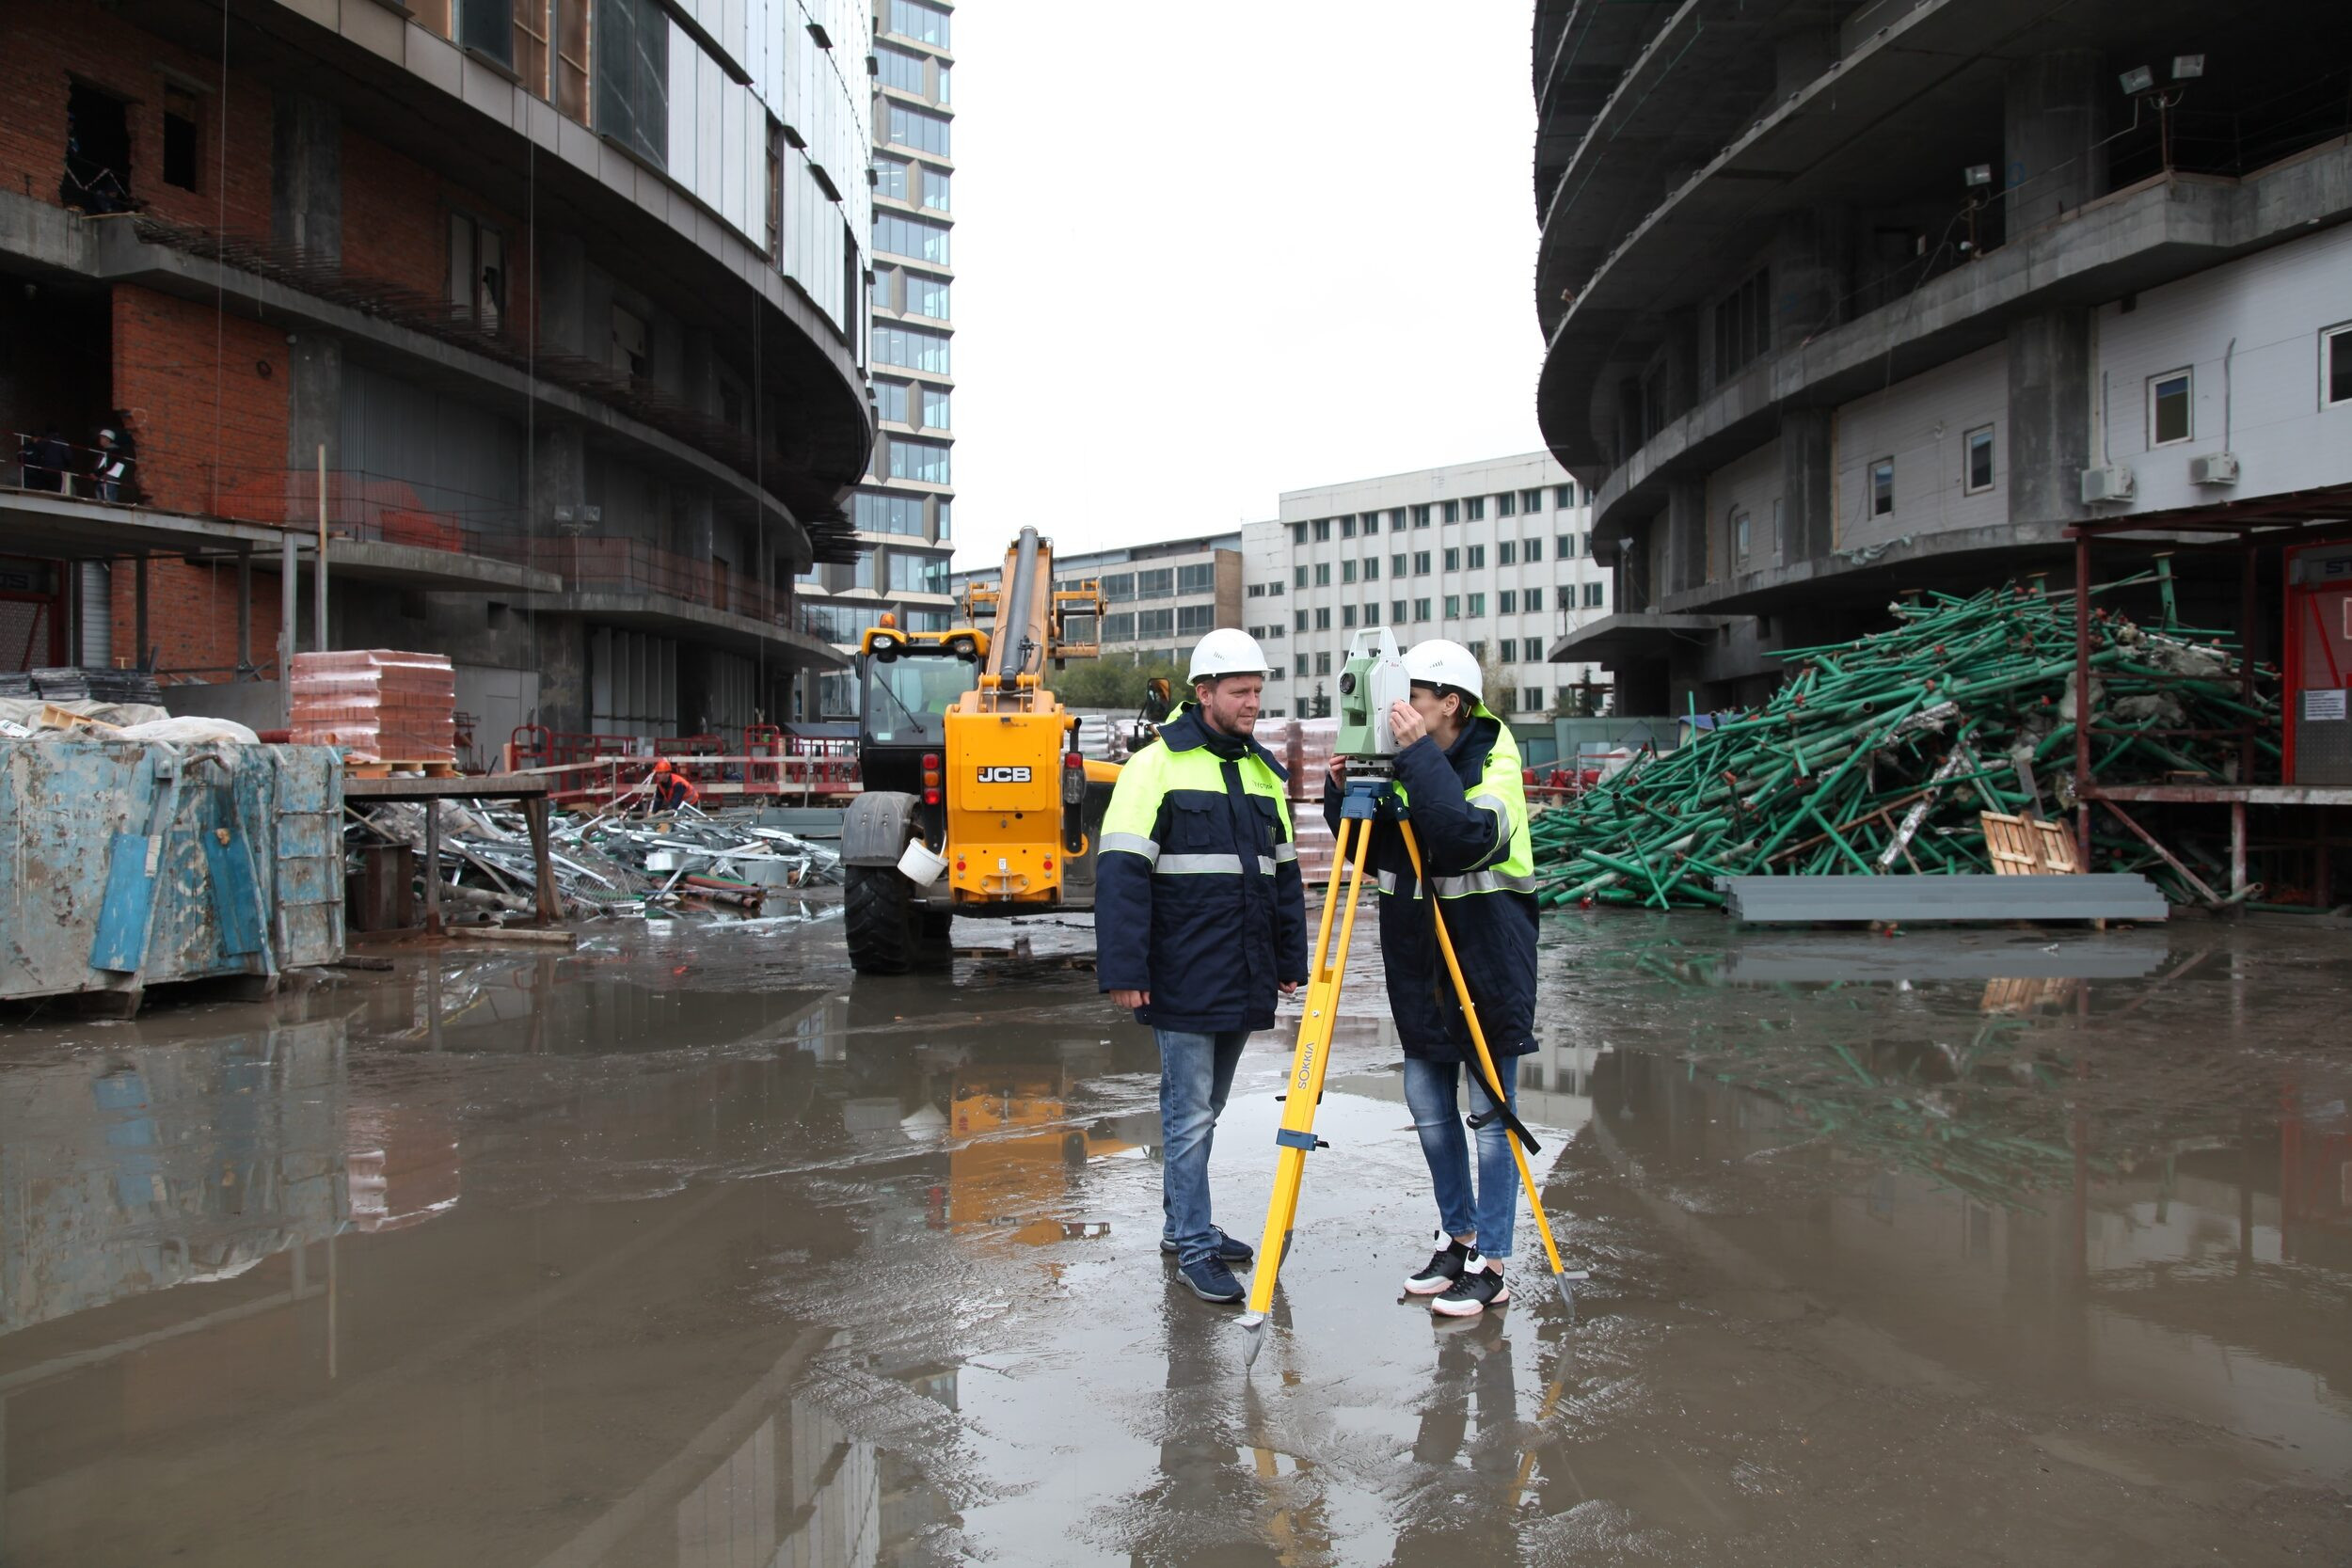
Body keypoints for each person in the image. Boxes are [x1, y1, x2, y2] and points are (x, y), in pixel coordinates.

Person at [1324, 639, 1537, 1318]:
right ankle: (1460, 1237)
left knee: (1490, 1119)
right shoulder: (1404, 757)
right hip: (1419, 964)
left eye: (1412, 697)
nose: (1398, 709)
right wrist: (1343, 792)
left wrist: (1413, 760)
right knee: (1428, 1106)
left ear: (1450, 704)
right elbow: (1375, 851)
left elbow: (1467, 834)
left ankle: (1494, 1264)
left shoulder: (1494, 755)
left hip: (1486, 963)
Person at [1097, 628, 1308, 1305]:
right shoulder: (1152, 767)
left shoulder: (1262, 772)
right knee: (1188, 1113)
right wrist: (1124, 969)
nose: (1253, 703)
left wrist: (1288, 958)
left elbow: (1283, 875)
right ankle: (1193, 1243)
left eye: (1257, 691)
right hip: (1180, 970)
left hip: (1242, 969)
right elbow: (1122, 876)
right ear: (1203, 693)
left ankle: (1179, 1223)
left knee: (1208, 1108)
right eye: (1240, 691)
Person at [21, 429, 73, 493]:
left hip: (41, 474)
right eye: (34, 437)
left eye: (37, 437)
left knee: (50, 489)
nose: (36, 439)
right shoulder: (28, 447)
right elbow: (68, 458)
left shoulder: (42, 444)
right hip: (32, 474)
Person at [88, 428, 130, 502]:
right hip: (100, 479)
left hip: (109, 479)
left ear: (108, 439)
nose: (100, 440)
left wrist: (96, 474)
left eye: (102, 438)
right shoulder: (103, 451)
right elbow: (98, 464)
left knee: (109, 501)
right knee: (100, 502)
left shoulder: (115, 450)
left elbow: (109, 464)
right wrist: (93, 473)